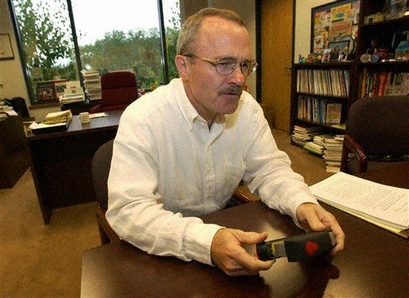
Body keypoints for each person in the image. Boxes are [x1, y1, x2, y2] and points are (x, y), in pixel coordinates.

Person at [106, 7, 345, 276]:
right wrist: (207, 242)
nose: (240, 79)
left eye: (244, 65)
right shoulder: (143, 119)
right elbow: (128, 212)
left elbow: (270, 170)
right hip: (164, 251)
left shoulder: (248, 109)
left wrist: (302, 204)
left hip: (228, 233)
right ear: (184, 66)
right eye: (224, 64)